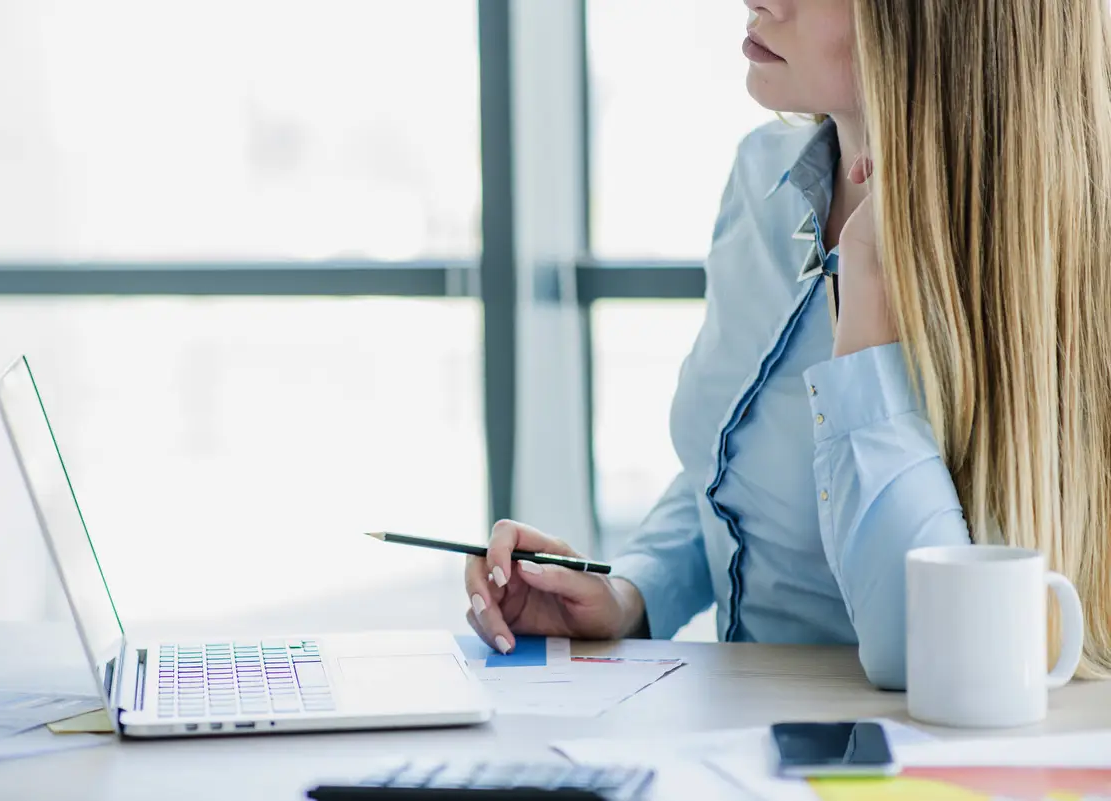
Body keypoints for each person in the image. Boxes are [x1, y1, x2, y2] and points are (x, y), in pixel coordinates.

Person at [464, 0, 1111, 689]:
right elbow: (730, 468)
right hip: (734, 749)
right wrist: (628, 594)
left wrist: (868, 284)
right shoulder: (760, 178)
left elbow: (922, 653)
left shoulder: (1049, 260)